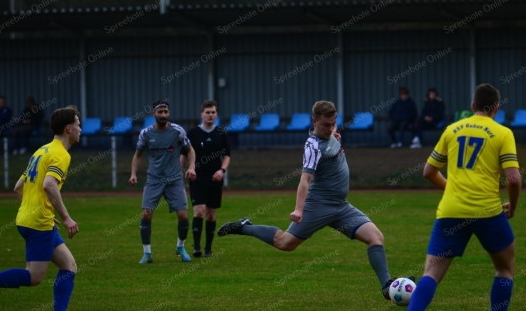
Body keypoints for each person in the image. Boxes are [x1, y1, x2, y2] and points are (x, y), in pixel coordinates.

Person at [387, 84, 521, 311]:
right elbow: (514, 178)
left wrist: (453, 188)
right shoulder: (503, 133)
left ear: (472, 107)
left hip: (450, 211)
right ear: (495, 108)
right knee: (504, 268)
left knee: (431, 273)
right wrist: (513, 207)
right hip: (487, 210)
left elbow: (428, 171)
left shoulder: (452, 129)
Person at [218, 100, 396, 300]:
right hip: (318, 205)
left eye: (333, 124)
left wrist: (334, 133)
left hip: (341, 207)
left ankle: (387, 287)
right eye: (326, 125)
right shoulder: (312, 147)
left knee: (376, 237)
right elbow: (305, 180)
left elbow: (332, 130)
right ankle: (244, 227)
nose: (330, 128)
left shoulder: (331, 131)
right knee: (285, 243)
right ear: (314, 122)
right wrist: (299, 210)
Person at [0, 105, 87, 311]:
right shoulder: (61, 154)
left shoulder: (42, 151)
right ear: (68, 128)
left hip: (29, 219)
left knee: (69, 265)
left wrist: (39, 208)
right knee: (34, 277)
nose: (80, 129)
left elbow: (19, 186)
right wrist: (66, 217)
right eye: (78, 124)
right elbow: (49, 185)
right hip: (38, 223)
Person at [130, 100, 197, 264]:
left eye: (166, 111)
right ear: (153, 114)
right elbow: (138, 154)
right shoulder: (145, 133)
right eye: (160, 112)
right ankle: (147, 253)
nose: (163, 115)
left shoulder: (177, 131)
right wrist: (133, 174)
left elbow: (190, 150)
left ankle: (180, 247)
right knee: (146, 214)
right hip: (154, 179)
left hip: (174, 179)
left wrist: (192, 167)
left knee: (183, 215)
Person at [186, 100, 231, 258]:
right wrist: (186, 170)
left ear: (216, 115)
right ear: (202, 114)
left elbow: (227, 156)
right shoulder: (192, 133)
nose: (210, 115)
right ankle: (196, 247)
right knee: (199, 211)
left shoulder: (221, 133)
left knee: (211, 214)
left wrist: (222, 170)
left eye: (213, 112)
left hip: (215, 178)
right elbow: (183, 154)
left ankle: (208, 249)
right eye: (207, 112)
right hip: (197, 177)